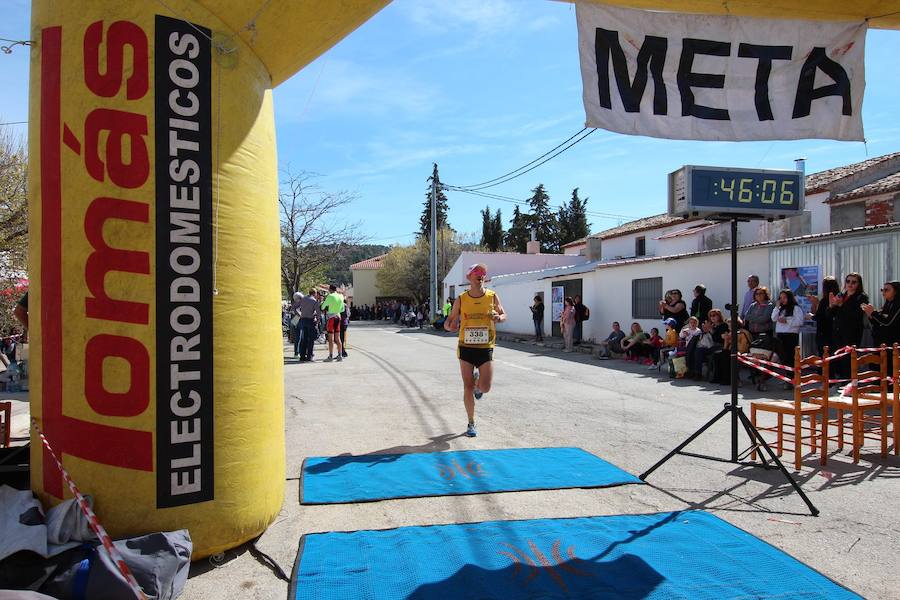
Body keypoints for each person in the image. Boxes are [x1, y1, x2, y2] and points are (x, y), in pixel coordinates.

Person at [444, 264, 506, 438]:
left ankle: (479, 385)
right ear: (469, 277)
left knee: (485, 388)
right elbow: (449, 321)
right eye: (477, 272)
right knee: (467, 386)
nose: (481, 275)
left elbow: (503, 314)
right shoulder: (462, 299)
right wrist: (449, 326)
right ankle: (471, 422)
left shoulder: (492, 296)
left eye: (483, 273)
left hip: (485, 346)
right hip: (466, 346)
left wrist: (499, 317)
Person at [829, 272, 869, 379]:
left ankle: (848, 381)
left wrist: (842, 305)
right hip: (838, 330)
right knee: (838, 356)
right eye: (848, 281)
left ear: (858, 284)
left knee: (848, 358)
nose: (850, 284)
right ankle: (841, 379)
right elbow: (831, 314)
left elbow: (856, 314)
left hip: (852, 332)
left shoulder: (862, 297)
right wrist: (832, 305)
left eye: (854, 282)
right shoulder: (841, 295)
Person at [688, 309, 727, 378]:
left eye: (714, 315)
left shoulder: (723, 325)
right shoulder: (711, 325)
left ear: (719, 316)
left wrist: (710, 330)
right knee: (697, 350)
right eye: (711, 316)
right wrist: (704, 330)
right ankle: (697, 373)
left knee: (699, 350)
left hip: (719, 346)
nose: (712, 317)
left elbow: (718, 339)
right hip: (709, 345)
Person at [772, 289, 805, 372]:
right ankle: (787, 376)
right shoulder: (780, 309)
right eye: (781, 298)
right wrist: (776, 307)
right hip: (780, 335)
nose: (782, 300)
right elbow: (773, 318)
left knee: (790, 357)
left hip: (791, 335)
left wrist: (786, 320)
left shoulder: (796, 308)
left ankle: (792, 377)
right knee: (783, 357)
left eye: (784, 297)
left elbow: (800, 321)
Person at [809, 276, 840, 356]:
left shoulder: (825, 300)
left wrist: (811, 316)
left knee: (824, 357)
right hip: (835, 334)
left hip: (824, 334)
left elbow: (820, 317)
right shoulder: (839, 299)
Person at [863, 280, 900, 347]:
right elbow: (880, 322)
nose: (883, 292)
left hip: (893, 341)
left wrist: (873, 312)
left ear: (895, 292)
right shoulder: (887, 303)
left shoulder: (898, 305)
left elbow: (888, 322)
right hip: (881, 340)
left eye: (886, 290)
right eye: (882, 289)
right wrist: (870, 315)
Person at [320, 284, 345, 362]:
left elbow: (323, 307)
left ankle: (330, 356)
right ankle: (340, 355)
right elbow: (342, 309)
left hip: (331, 318)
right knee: (338, 338)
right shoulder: (341, 296)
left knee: (331, 338)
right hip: (338, 316)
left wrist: (325, 305)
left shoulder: (330, 296)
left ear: (330, 290)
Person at [297, 289, 321, 362]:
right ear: (315, 293)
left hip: (303, 320)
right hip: (310, 320)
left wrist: (300, 314)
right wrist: (318, 320)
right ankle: (309, 356)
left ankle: (302, 356)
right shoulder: (314, 301)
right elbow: (318, 313)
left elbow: (294, 308)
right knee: (311, 339)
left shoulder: (302, 299)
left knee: (304, 338)